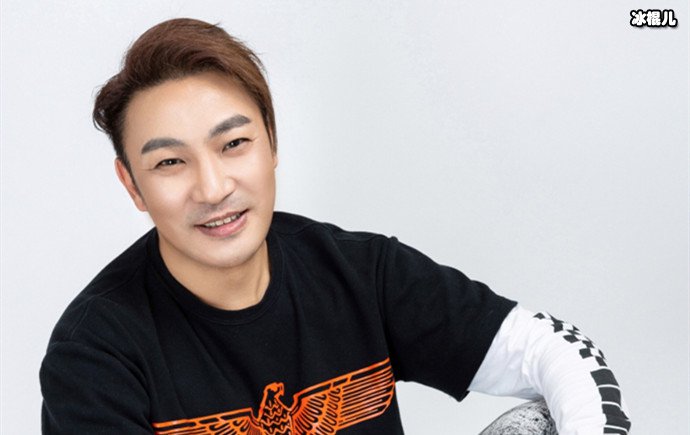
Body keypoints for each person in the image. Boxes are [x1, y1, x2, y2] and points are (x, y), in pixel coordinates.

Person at [39, 18, 631, 435]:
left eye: (234, 144)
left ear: (272, 145)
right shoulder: (94, 353)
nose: (212, 188)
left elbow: (551, 352)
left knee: (541, 422)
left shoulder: (360, 274)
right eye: (170, 162)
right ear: (132, 185)